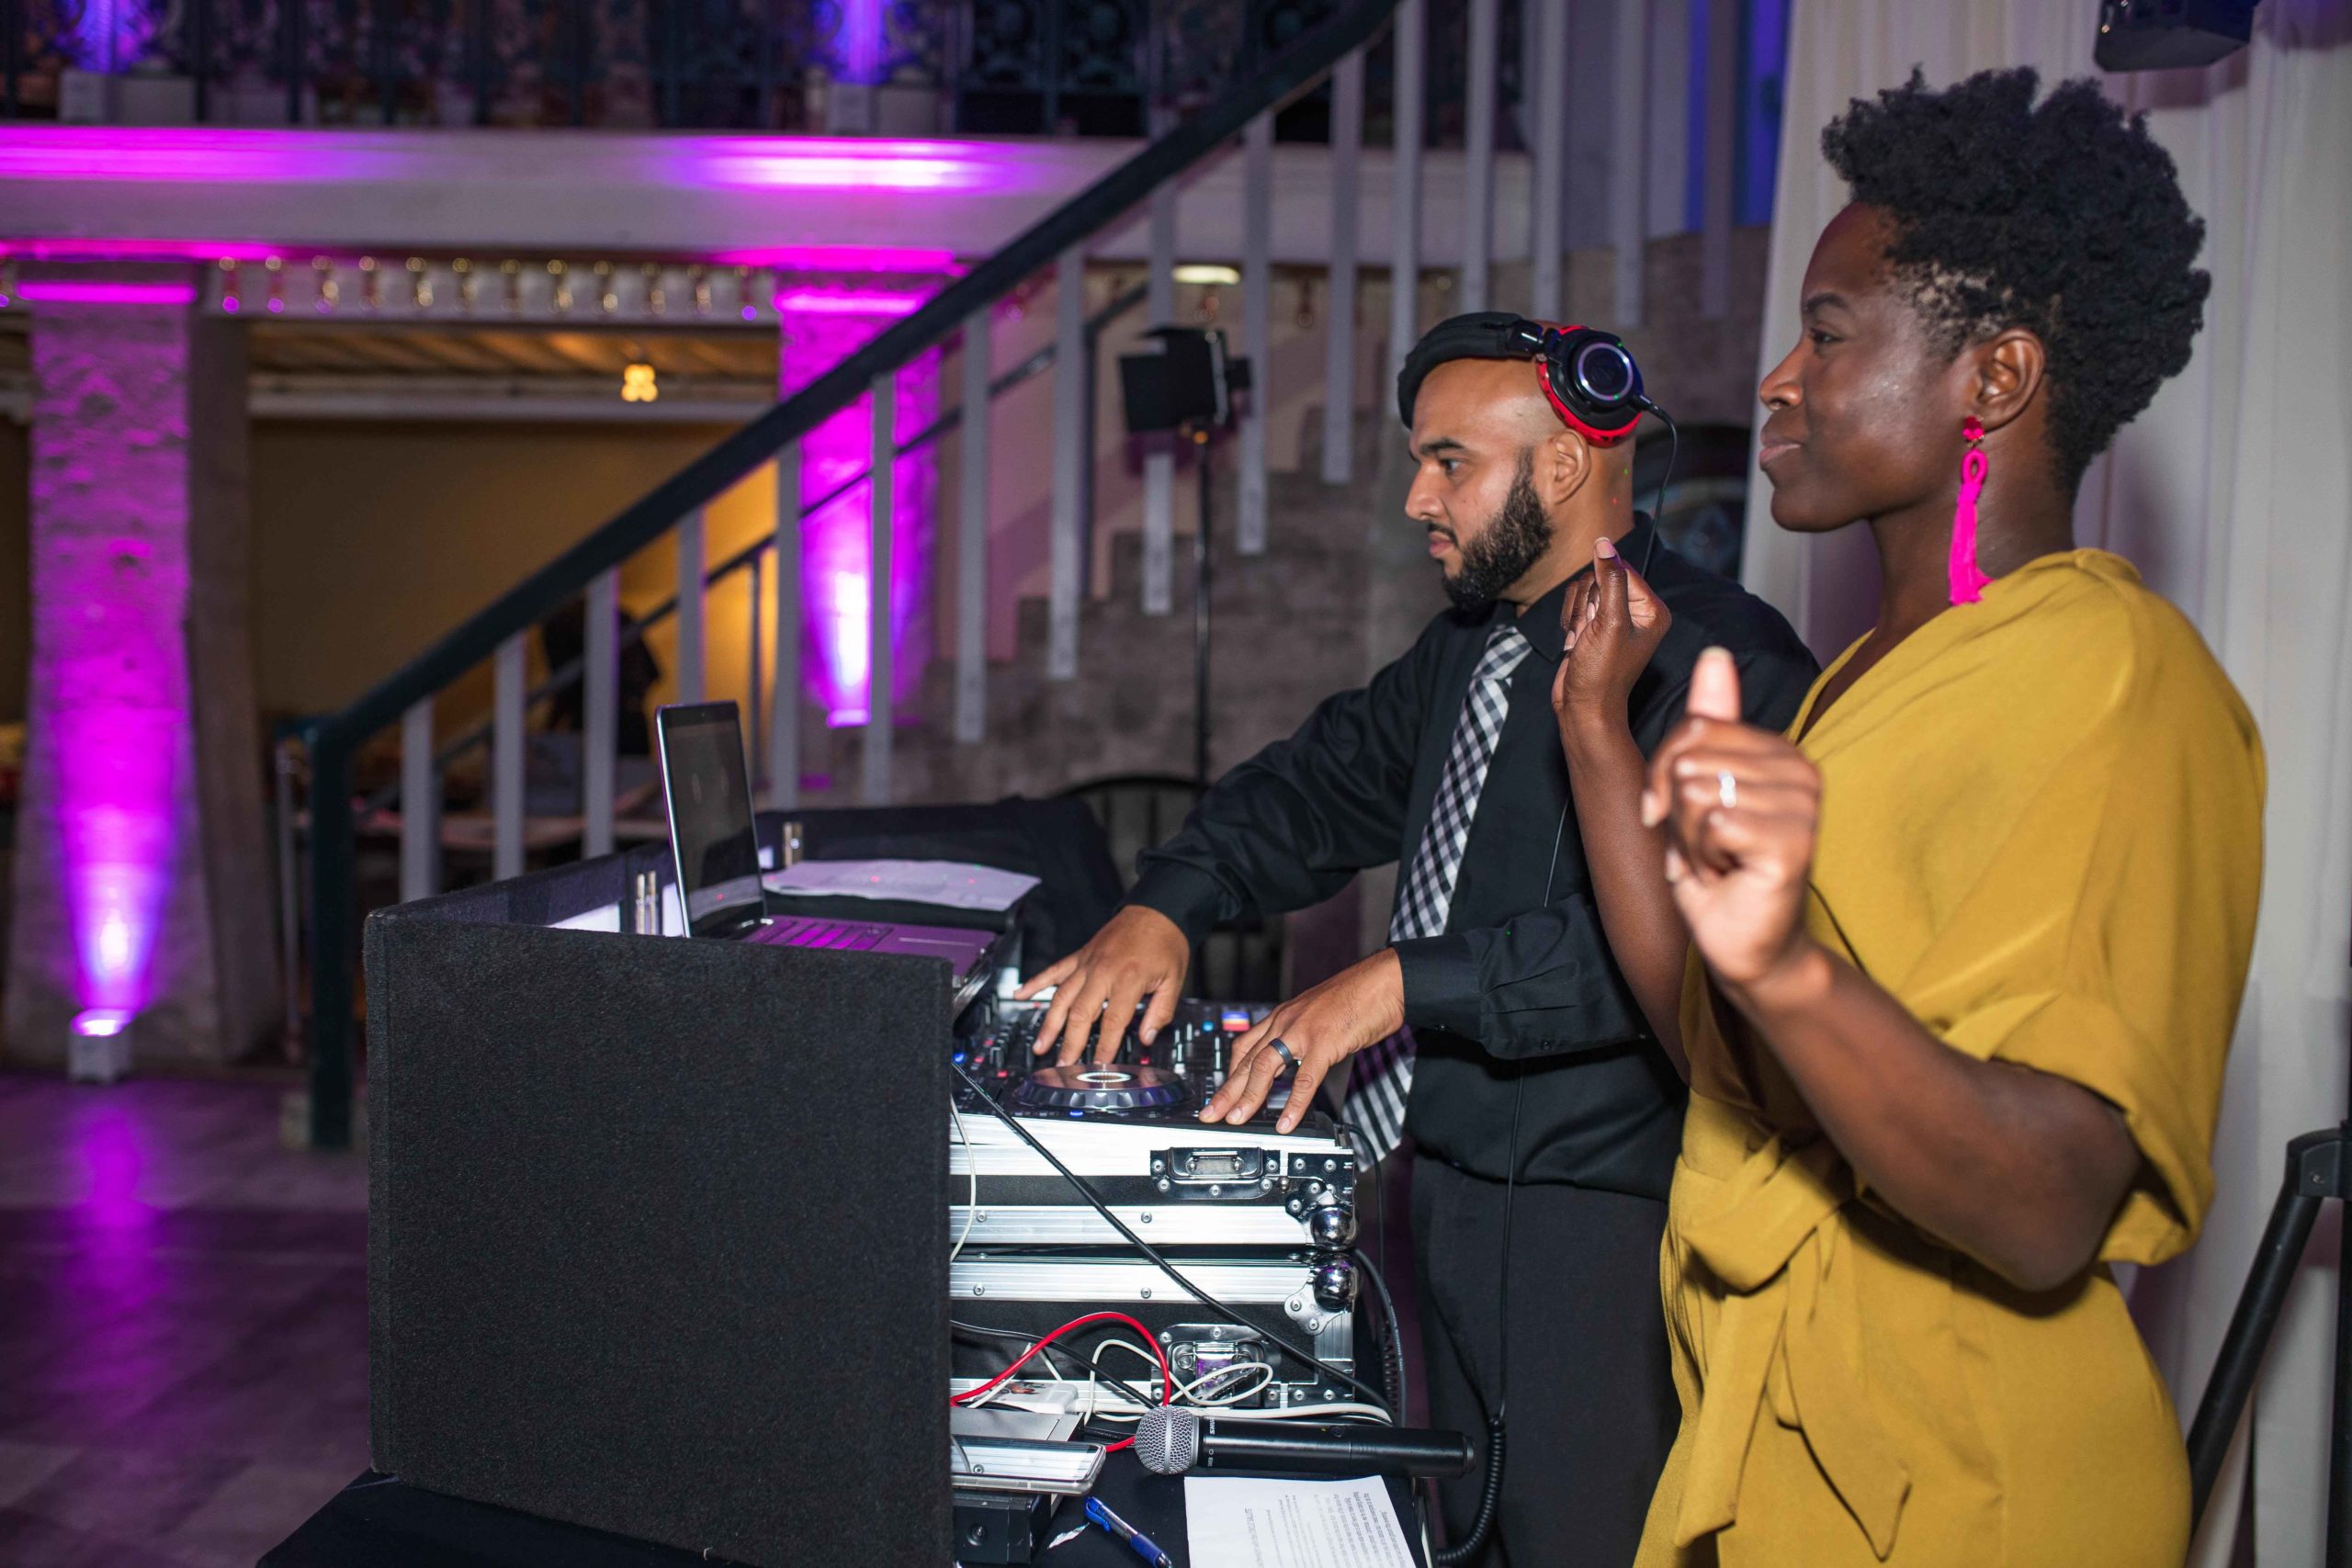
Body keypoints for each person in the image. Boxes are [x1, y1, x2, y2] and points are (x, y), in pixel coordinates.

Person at [1017, 313, 1817, 1563]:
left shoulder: (1729, 662)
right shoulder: (1469, 650)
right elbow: (1312, 787)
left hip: (1603, 1225)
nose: (1414, 498)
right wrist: (1165, 903)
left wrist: (1400, 982)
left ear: (1559, 468)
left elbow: (1677, 949)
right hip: (1443, 1195)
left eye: (1449, 461)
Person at [1601, 71, 2262, 1567]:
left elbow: (2047, 1207)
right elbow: (1722, 1055)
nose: (1777, 378)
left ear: (1996, 380)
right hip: (1787, 1454)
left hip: (1976, 1482)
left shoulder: (2116, 673)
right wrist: (1597, 733)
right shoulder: (1856, 683)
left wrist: (1787, 964)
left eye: (1827, 333)